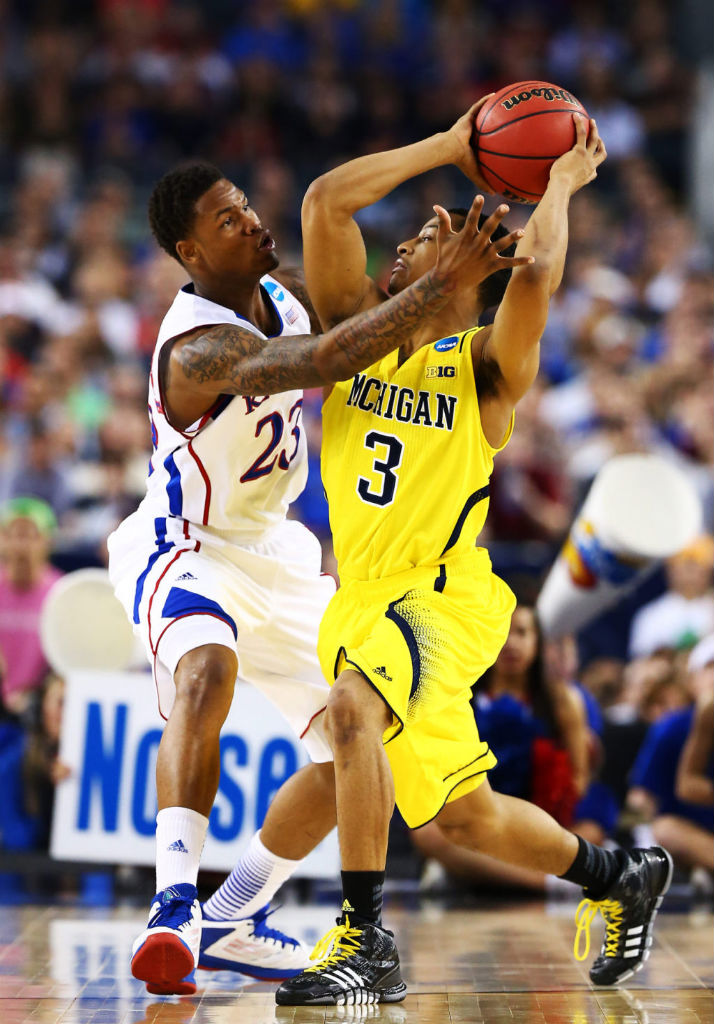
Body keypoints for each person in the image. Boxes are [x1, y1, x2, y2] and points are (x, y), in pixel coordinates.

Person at [276, 107, 671, 1007]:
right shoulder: (356, 342)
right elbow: (326, 201)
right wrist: (454, 147)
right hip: (363, 599)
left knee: (349, 713)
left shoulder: (485, 368)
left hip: (444, 598)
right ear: (398, 270)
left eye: (449, 223)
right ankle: (618, 873)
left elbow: (541, 274)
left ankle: (363, 937)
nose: (437, 228)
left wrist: (560, 183)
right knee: (462, 818)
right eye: (421, 230)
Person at [106, 159, 527, 996]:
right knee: (206, 667)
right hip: (187, 542)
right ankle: (173, 905)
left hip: (280, 551)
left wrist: (451, 151)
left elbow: (343, 234)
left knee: (355, 740)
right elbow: (334, 354)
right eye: (229, 221)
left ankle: (234, 911)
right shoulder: (196, 347)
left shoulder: (286, 292)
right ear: (190, 252)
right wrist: (436, 280)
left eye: (248, 207)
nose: (254, 222)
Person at [0, 497, 63, 718]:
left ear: (48, 541)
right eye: (13, 534)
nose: (20, 545)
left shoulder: (61, 595)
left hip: (37, 713)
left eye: (30, 535)